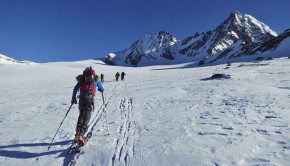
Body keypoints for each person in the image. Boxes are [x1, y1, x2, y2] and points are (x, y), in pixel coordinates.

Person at [71, 67, 104, 146]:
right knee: (87, 118)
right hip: (89, 101)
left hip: (81, 100)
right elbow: (102, 89)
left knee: (81, 116)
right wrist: (99, 89)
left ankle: (77, 134)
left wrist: (73, 98)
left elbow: (75, 89)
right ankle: (81, 136)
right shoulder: (96, 79)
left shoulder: (82, 79)